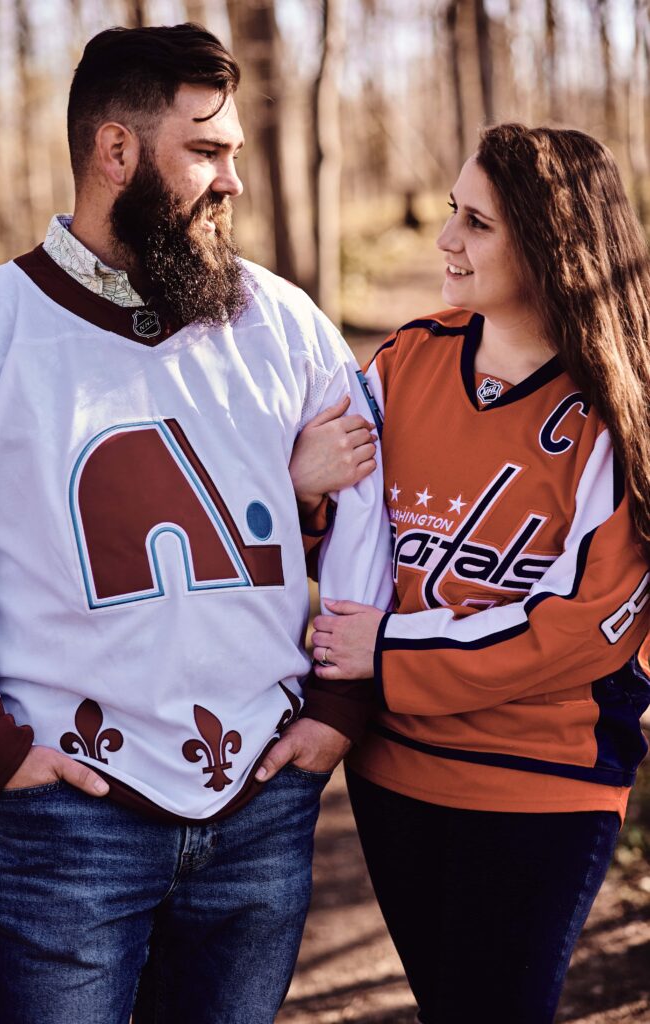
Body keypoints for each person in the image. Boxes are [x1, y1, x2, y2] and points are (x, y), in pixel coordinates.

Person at [0, 23, 392, 1024]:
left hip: (261, 801)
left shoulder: (279, 321)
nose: (232, 179)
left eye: (237, 150)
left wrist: (340, 697)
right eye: (206, 149)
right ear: (115, 152)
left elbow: (370, 496)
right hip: (69, 812)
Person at [298, 124, 650, 1024]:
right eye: (453, 212)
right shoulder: (405, 361)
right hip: (395, 775)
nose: (446, 240)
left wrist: (388, 649)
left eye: (478, 223)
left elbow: (580, 629)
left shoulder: (615, 411)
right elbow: (346, 545)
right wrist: (302, 494)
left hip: (541, 782)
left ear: (550, 239)